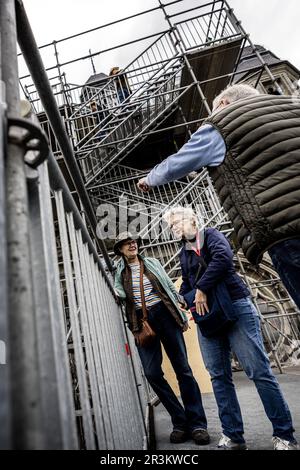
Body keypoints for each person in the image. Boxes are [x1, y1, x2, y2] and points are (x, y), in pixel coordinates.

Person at [137, 84, 300, 310]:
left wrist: (150, 178)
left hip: (285, 227)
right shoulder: (291, 107)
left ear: (223, 104)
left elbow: (181, 161)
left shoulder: (222, 124)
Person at [163, 206, 298, 450]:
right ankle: (233, 436)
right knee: (218, 376)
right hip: (207, 316)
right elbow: (186, 283)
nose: (174, 227)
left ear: (192, 219)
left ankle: (284, 435)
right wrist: (184, 297)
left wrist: (201, 289)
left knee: (259, 371)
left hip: (235, 307)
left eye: (177, 221)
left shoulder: (211, 235)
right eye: (171, 226)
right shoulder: (184, 252)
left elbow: (223, 259)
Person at [113, 231, 210, 445]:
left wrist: (180, 303)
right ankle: (179, 420)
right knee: (152, 372)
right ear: (120, 249)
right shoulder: (118, 271)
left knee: (183, 369)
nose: (132, 245)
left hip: (165, 314)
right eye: (126, 244)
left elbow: (166, 284)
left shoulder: (152, 263)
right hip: (142, 323)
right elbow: (118, 293)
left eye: (133, 242)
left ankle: (197, 424)